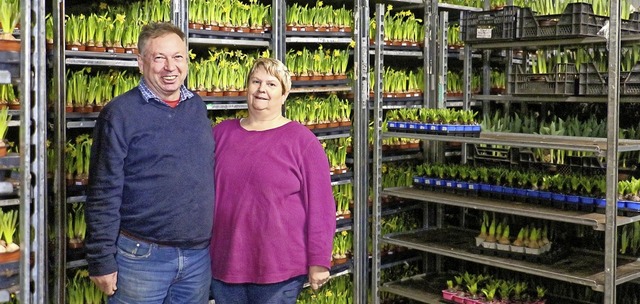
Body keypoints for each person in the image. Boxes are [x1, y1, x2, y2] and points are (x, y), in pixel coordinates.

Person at [85, 22, 215, 304]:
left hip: (197, 258)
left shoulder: (196, 107)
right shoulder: (119, 114)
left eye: (178, 57)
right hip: (141, 258)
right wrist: (101, 259)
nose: (170, 67)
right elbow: (103, 190)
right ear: (140, 63)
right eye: (159, 58)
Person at [210, 57, 336, 303]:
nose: (261, 89)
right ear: (247, 87)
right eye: (256, 81)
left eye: (271, 84)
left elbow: (321, 207)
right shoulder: (221, 133)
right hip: (225, 264)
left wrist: (320, 260)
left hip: (279, 269)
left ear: (284, 94)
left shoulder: (302, 142)